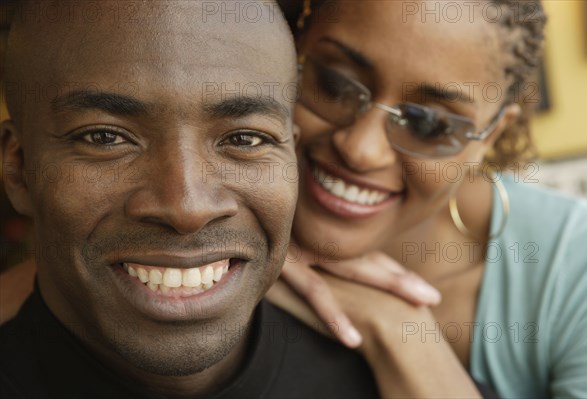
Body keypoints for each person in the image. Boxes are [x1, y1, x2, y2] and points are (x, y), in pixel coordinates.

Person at [0, 1, 388, 397]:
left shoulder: (379, 381)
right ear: (17, 168)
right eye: (105, 138)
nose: (187, 208)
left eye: (245, 139)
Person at [265, 0, 587, 398]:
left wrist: (401, 334)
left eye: (429, 124)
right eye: (336, 84)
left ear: (489, 136)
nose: (361, 149)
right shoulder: (201, 214)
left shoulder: (581, 272)